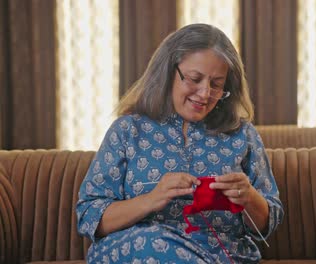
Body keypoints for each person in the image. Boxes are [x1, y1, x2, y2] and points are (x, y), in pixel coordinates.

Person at [76, 23, 284, 263]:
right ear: (168, 72)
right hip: (138, 251)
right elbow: (89, 216)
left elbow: (269, 222)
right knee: (151, 244)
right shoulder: (127, 131)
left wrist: (249, 197)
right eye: (195, 79)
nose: (205, 93)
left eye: (216, 85)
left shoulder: (243, 135)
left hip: (223, 255)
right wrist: (150, 200)